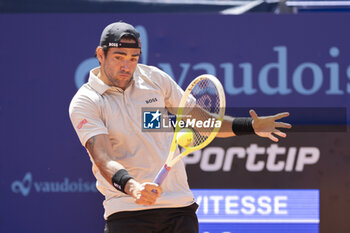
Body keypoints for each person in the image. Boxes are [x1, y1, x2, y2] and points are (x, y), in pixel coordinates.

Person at [69, 21, 291, 233]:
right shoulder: (86, 101)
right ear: (100, 55)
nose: (126, 65)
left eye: (133, 58)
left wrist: (250, 125)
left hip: (179, 209)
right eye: (119, 57)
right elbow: (103, 158)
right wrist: (133, 187)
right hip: (127, 211)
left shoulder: (154, 79)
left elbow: (201, 122)